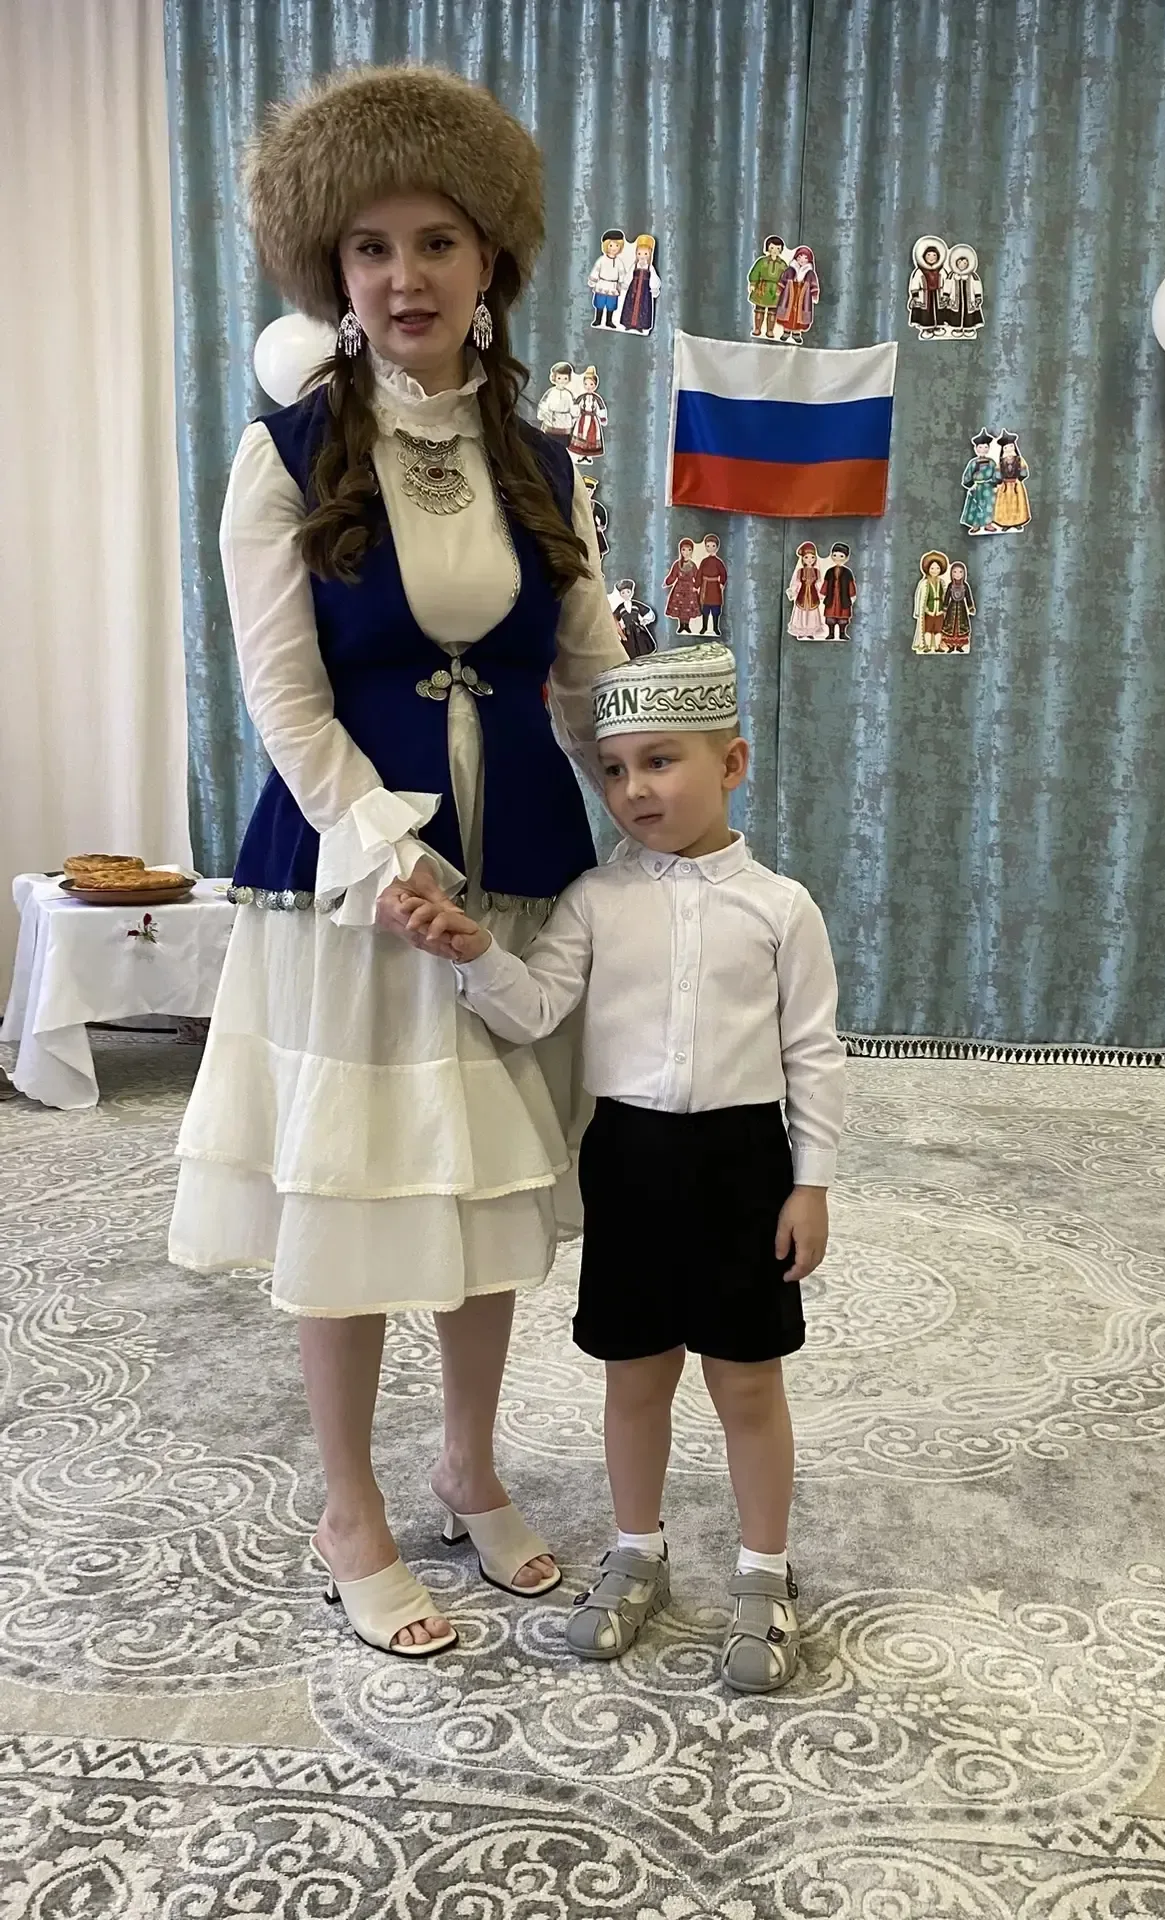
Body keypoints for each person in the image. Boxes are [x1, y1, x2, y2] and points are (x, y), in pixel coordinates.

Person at [168, 67, 627, 1659]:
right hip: (356, 885)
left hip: (518, 869)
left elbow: (589, 671)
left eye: (437, 241)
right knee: (363, 1191)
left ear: (491, 261)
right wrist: (387, 857)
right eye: (370, 247)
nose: (405, 276)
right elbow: (285, 699)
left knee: (485, 1187)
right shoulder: (283, 454)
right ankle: (350, 1508)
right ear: (333, 271)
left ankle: (467, 1464)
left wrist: (677, 785)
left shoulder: (547, 464)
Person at [381, 644, 845, 1693]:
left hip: (742, 1165)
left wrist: (811, 1181)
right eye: (616, 768)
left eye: (662, 762)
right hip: (629, 1163)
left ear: (733, 764)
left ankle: (764, 1572)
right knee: (635, 1378)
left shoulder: (783, 908)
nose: (635, 789)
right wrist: (475, 954)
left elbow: (814, 1052)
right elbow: (538, 1008)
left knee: (746, 1381)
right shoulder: (594, 899)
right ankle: (636, 1549)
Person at [774, 245, 820, 342]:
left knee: (801, 315)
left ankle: (796, 333)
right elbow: (783, 280)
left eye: (805, 258)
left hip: (803, 296)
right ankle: (786, 332)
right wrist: (779, 289)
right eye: (799, 257)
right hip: (789, 294)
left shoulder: (810, 273)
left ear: (809, 260)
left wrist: (814, 295)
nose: (802, 260)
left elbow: (814, 284)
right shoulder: (790, 270)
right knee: (787, 313)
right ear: (796, 258)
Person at [618, 234, 660, 335]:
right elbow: (629, 275)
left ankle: (640, 325)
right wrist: (626, 284)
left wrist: (654, 288)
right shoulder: (635, 266)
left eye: (645, 254)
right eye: (639, 253)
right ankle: (628, 323)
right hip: (634, 289)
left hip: (644, 291)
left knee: (643, 307)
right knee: (630, 305)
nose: (642, 256)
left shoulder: (650, 268)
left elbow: (654, 278)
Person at [960, 431, 1001, 535]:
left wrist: (995, 484)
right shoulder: (973, 463)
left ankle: (988, 524)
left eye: (985, 447)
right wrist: (970, 485)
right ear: (976, 449)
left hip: (988, 487)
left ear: (988, 448)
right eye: (980, 447)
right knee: (975, 505)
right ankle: (976, 524)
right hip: (976, 487)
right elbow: (967, 475)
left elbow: (996, 473)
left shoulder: (992, 462)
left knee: (989, 505)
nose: (983, 449)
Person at [748, 235, 787, 339]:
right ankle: (757, 329)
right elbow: (755, 272)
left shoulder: (782, 264)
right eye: (772, 247)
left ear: (781, 250)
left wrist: (784, 288)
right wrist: (753, 283)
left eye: (778, 248)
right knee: (759, 309)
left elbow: (786, 277)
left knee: (772, 311)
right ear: (767, 248)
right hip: (762, 288)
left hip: (776, 290)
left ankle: (770, 330)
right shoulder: (762, 261)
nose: (774, 250)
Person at [568, 366, 608, 463]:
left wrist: (602, 417)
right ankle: (581, 454)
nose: (588, 386)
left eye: (591, 384)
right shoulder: (581, 397)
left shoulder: (597, 398)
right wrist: (575, 414)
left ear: (595, 385)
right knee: (581, 436)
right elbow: (576, 405)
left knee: (591, 437)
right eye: (586, 384)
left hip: (592, 421)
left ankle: (588, 455)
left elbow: (601, 408)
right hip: (582, 419)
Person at [588, 229, 626, 329]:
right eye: (611, 245)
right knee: (599, 303)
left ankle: (609, 321)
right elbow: (596, 270)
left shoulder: (619, 262)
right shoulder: (601, 260)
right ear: (606, 246)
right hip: (602, 284)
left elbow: (622, 273)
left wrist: (622, 283)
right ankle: (598, 319)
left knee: (611, 305)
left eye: (617, 245)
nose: (614, 248)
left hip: (613, 286)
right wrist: (593, 280)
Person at [664, 537, 703, 634]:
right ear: (680, 551)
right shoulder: (677, 564)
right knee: (680, 607)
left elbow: (698, 577)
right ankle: (681, 626)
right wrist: (667, 582)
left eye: (689, 550)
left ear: (692, 551)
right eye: (684, 550)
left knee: (688, 607)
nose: (686, 552)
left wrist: (696, 586)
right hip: (679, 589)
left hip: (690, 589)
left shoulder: (693, 565)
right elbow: (673, 576)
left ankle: (687, 625)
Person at [908, 236, 946, 335]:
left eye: (934, 255)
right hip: (924, 295)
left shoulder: (941, 271)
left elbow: (947, 282)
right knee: (925, 314)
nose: (931, 258)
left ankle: (938, 327)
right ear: (924, 257)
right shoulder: (919, 271)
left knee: (939, 311)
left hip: (938, 294)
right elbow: (915, 283)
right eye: (928, 255)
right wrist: (915, 296)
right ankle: (927, 329)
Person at [993, 431, 1031, 530]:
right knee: (1005, 506)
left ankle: (1018, 522)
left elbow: (1024, 471)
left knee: (1018, 504)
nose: (1009, 450)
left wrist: (1020, 478)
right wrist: (998, 482)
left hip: (1016, 485)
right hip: (1004, 486)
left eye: (1011, 447)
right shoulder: (1001, 462)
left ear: (1014, 447)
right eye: (1006, 448)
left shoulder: (1019, 460)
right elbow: (998, 472)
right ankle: (1005, 523)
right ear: (1003, 449)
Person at [786, 541, 824, 638]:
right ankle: (801, 631)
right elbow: (796, 583)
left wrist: (822, 593)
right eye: (806, 557)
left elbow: (819, 583)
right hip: (802, 595)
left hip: (813, 595)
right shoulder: (800, 571)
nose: (810, 560)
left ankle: (810, 632)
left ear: (815, 558)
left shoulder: (817, 571)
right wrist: (793, 591)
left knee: (812, 613)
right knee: (801, 612)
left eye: (812, 557)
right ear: (802, 558)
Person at [912, 552, 949, 652]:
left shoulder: (941, 582)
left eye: (937, 568)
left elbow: (944, 595)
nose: (935, 571)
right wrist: (925, 609)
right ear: (927, 569)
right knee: (928, 630)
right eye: (932, 568)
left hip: (939, 611)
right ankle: (927, 646)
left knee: (938, 630)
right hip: (929, 612)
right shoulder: (925, 583)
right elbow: (921, 598)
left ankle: (937, 646)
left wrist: (944, 608)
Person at [610, 579, 657, 658]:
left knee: (644, 648)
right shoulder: (620, 608)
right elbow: (614, 619)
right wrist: (621, 633)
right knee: (630, 651)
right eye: (623, 593)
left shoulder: (636, 605)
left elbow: (648, 612)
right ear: (620, 594)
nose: (626, 594)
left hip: (639, 630)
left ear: (632, 592)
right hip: (628, 633)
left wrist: (644, 621)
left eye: (628, 592)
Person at [821, 543, 856, 639]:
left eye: (841, 556)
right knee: (830, 617)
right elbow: (826, 583)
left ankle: (842, 633)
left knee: (843, 618)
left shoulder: (848, 572)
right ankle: (831, 633)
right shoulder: (829, 571)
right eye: (835, 555)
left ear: (846, 558)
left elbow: (851, 584)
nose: (838, 559)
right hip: (831, 598)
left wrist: (852, 595)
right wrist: (823, 594)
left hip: (843, 598)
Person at [939, 560, 976, 652]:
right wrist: (945, 607)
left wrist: (970, 607)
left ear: (964, 573)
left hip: (962, 609)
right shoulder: (950, 585)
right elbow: (947, 597)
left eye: (960, 572)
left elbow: (968, 597)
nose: (957, 574)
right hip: (951, 609)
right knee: (950, 626)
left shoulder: (965, 586)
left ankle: (959, 646)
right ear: (951, 573)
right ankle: (951, 646)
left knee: (961, 627)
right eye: (955, 572)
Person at [696, 532, 727, 636]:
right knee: (705, 609)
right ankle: (704, 627)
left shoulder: (719, 562)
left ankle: (715, 627)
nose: (710, 548)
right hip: (705, 588)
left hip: (715, 588)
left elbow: (723, 573)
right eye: (708, 546)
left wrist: (722, 583)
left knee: (715, 609)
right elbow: (699, 573)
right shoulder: (704, 561)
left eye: (713, 546)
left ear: (717, 547)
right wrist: (697, 585)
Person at [538, 362, 576, 439]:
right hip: (551, 423)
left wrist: (574, 415)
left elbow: (573, 408)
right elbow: (543, 405)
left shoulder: (569, 394)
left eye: (565, 378)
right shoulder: (550, 392)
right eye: (559, 378)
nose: (562, 381)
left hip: (565, 424)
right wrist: (544, 414)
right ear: (554, 378)